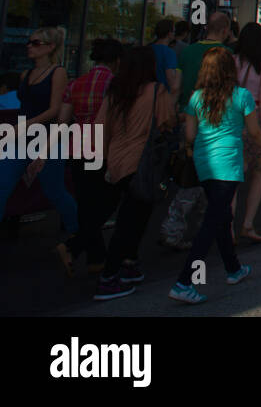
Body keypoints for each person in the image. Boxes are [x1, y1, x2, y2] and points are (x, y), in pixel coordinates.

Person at [64, 47, 175, 300]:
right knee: (132, 222)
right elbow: (167, 123)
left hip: (115, 163)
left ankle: (128, 265)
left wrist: (103, 161)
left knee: (123, 217)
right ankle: (110, 277)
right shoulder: (156, 92)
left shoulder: (115, 92)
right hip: (142, 165)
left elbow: (99, 128)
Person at [169, 47, 261, 304]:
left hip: (204, 164)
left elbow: (190, 135)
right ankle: (184, 281)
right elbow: (254, 131)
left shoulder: (196, 98)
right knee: (212, 221)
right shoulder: (241, 96)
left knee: (222, 214)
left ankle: (233, 268)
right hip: (228, 163)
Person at [159, 12, 232, 250]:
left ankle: (180, 226)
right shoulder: (225, 55)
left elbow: (176, 86)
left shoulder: (188, 52)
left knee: (190, 174)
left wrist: (172, 112)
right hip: (214, 123)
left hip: (187, 118)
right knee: (207, 179)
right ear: (225, 30)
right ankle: (197, 228)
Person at [0, 26, 78, 239]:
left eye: (36, 43)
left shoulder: (58, 72)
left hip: (46, 138)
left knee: (54, 191)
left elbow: (54, 109)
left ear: (50, 47)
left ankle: (77, 232)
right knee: (2, 184)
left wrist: (24, 126)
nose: (30, 46)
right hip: (22, 138)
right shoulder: (26, 74)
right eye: (29, 42)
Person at [53, 37, 122, 276]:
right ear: (116, 61)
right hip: (102, 146)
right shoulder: (114, 84)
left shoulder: (75, 84)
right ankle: (73, 246)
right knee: (108, 201)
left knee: (86, 203)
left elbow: (63, 120)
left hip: (77, 146)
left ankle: (95, 259)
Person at [233, 23, 261, 242]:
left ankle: (228, 225)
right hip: (254, 118)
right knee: (259, 171)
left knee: (234, 175)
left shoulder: (233, 60)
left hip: (233, 119)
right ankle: (248, 223)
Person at [151, 20, 181, 95]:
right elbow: (170, 77)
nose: (175, 34)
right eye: (174, 31)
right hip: (162, 93)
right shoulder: (169, 53)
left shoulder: (148, 49)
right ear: (169, 33)